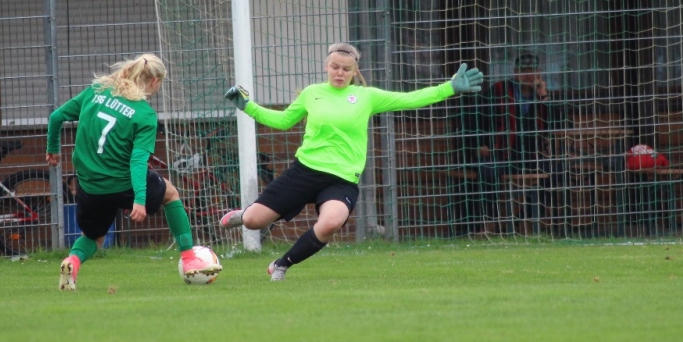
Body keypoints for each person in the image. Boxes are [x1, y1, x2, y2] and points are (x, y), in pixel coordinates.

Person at [219, 42, 484, 281]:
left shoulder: (366, 97)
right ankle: (244, 214)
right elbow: (283, 121)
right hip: (304, 171)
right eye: (335, 67)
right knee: (254, 222)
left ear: (355, 71)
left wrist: (449, 88)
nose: (339, 73)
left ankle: (281, 265)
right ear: (326, 67)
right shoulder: (312, 93)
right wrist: (247, 106)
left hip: (342, 179)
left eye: (346, 69)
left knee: (331, 223)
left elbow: (410, 99)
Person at [45, 53, 219, 291]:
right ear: (154, 81)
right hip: (124, 184)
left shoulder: (96, 91)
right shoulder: (144, 114)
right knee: (170, 194)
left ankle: (72, 261)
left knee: (94, 238)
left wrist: (53, 149)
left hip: (90, 185)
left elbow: (56, 116)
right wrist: (139, 199)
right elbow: (138, 161)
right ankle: (189, 259)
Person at [458, 51, 558, 234]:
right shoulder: (499, 90)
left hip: (531, 156)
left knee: (558, 170)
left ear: (539, 72)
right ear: (515, 72)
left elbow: (559, 124)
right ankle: (489, 222)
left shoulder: (542, 95)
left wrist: (544, 96)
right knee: (487, 171)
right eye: (524, 70)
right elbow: (472, 118)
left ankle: (526, 218)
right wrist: (478, 144)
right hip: (501, 154)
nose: (528, 74)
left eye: (532, 70)